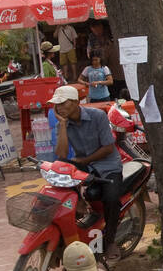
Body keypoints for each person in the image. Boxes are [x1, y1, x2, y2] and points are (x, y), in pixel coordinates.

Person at [48, 85, 124, 258]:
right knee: (60, 171)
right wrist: (62, 124)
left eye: (62, 103)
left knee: (112, 199)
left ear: (75, 102)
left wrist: (84, 161)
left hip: (107, 165)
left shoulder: (98, 116)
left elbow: (107, 147)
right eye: (56, 105)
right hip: (84, 165)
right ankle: (78, 209)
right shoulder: (64, 122)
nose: (59, 108)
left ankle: (110, 240)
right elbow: (61, 153)